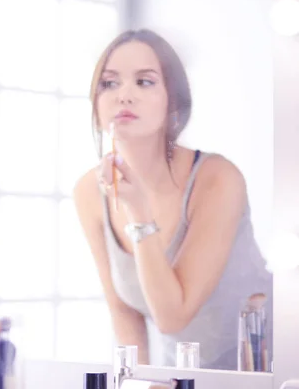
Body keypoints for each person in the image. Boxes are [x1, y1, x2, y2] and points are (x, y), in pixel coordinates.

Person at [73, 29, 272, 370]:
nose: (124, 95)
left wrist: (138, 211)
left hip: (262, 367)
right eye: (109, 83)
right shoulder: (90, 191)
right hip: (182, 371)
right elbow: (124, 313)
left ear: (173, 101)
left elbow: (172, 317)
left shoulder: (217, 178)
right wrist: (142, 382)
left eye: (145, 82)